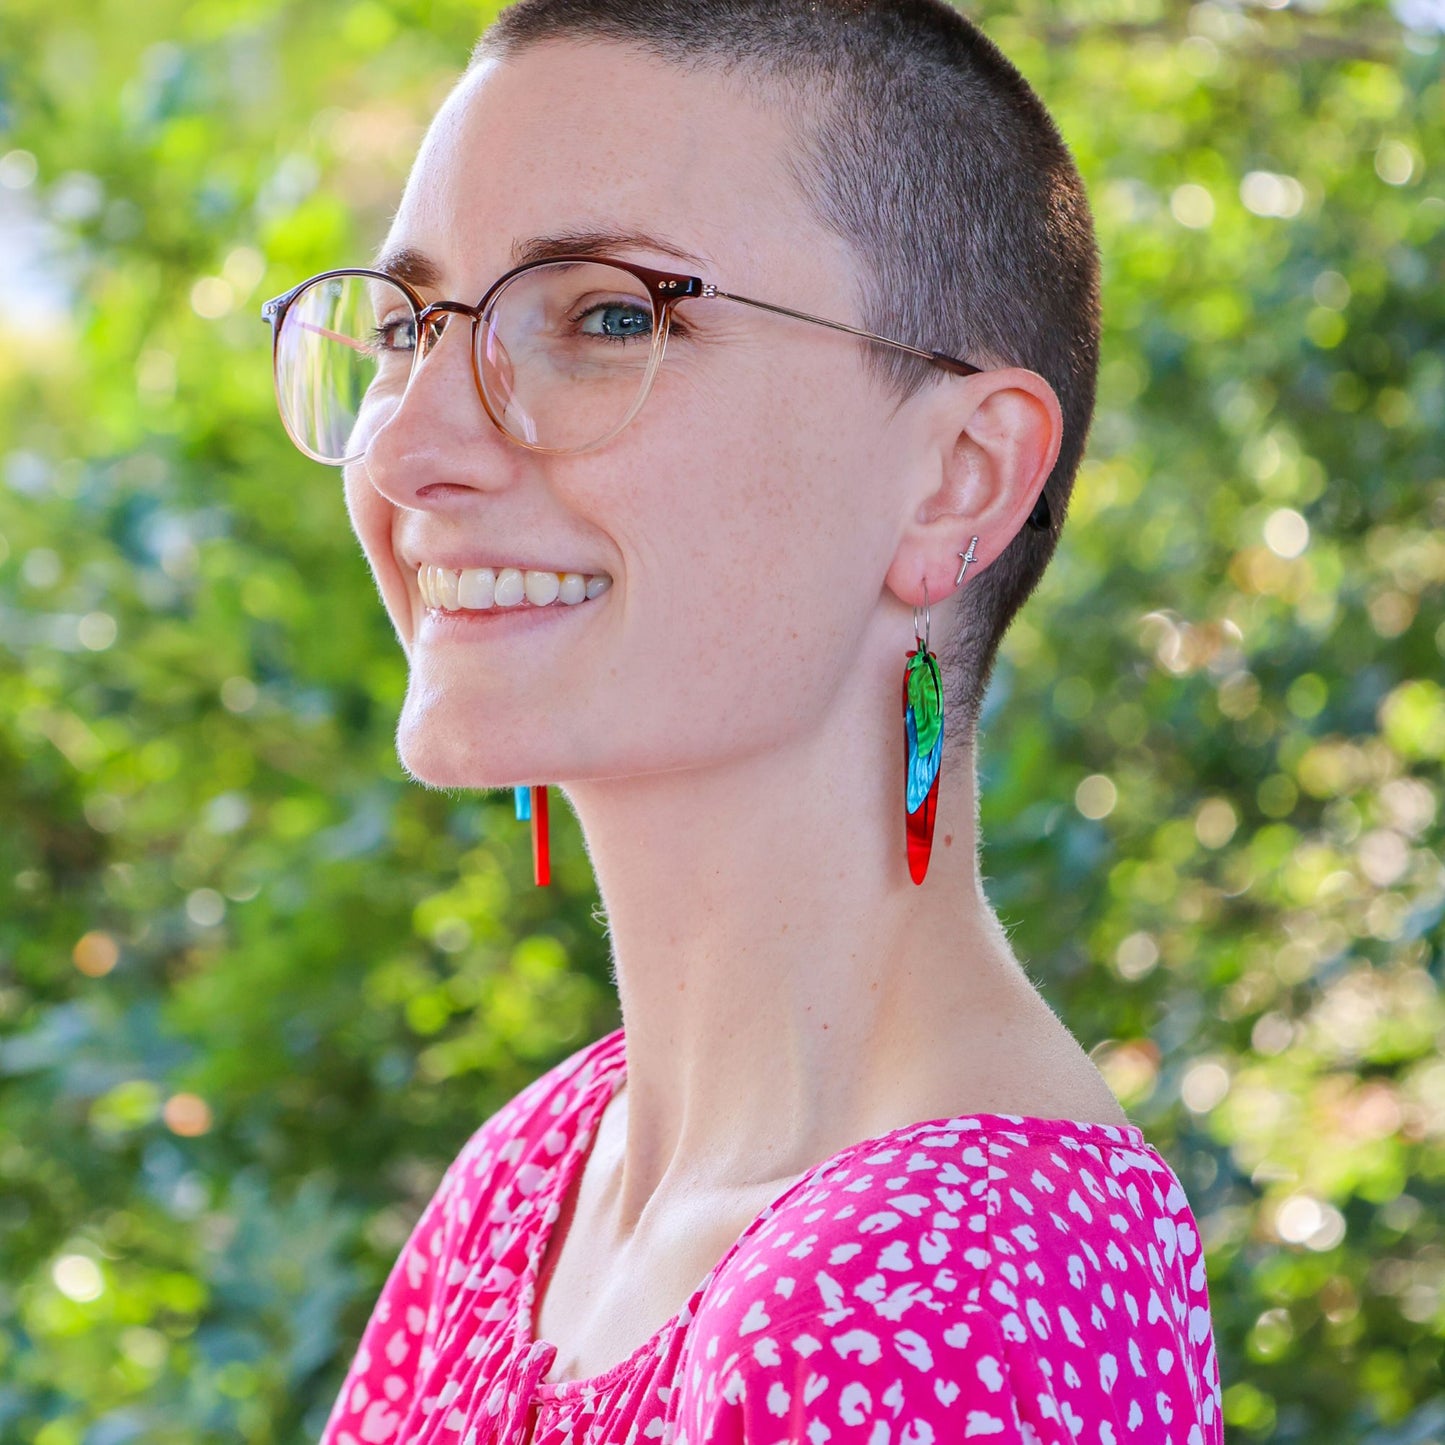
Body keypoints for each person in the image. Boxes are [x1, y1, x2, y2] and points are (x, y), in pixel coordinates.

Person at [261, 0, 1223, 1438]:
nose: (404, 443)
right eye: (407, 326)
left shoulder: (928, 1300)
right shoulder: (540, 1174)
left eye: (602, 315)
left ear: (957, 475)